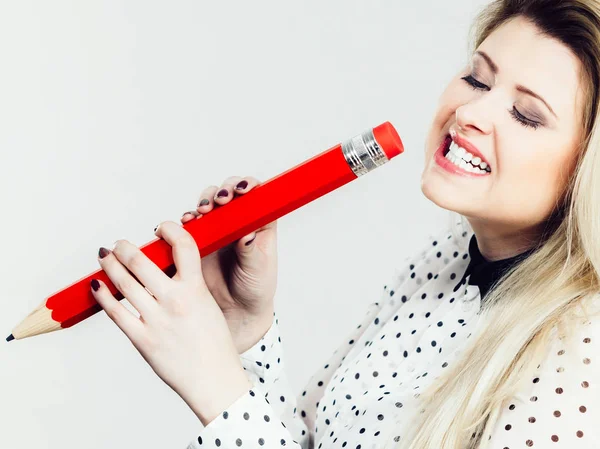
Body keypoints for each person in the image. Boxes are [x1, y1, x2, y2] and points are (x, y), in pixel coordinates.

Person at [90, 0, 600, 448]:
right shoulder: (447, 259)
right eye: (477, 78)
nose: (471, 112)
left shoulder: (583, 354)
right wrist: (245, 332)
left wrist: (220, 391)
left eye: (527, 115)